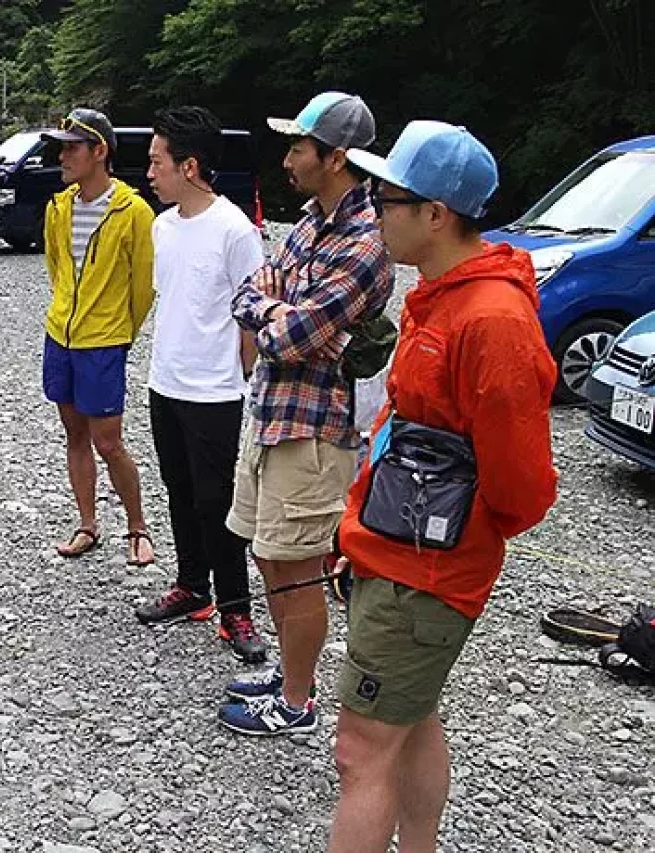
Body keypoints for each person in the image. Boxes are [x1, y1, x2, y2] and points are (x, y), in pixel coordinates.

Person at [327, 121, 557, 852]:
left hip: (424, 573)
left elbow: (524, 484)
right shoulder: (440, 295)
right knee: (410, 717)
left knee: (360, 750)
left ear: (435, 214)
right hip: (395, 555)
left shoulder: (492, 320)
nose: (373, 211)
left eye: (386, 199)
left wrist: (453, 535)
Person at [217, 92, 393, 735]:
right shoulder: (308, 223)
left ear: (336, 157)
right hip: (271, 414)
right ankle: (292, 672)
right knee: (270, 557)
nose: (287, 159)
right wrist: (278, 310)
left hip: (315, 429)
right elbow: (249, 294)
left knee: (297, 571)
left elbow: (290, 337)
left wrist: (276, 313)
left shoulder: (366, 243)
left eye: (298, 147)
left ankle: (296, 702)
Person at [134, 105, 267, 663]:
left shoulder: (235, 230)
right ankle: (192, 587)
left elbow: (253, 315)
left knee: (218, 501)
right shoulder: (162, 226)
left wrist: (240, 377)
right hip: (164, 382)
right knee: (179, 490)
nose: (149, 173)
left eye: (157, 162)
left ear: (189, 166)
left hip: (214, 391)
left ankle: (236, 608)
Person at [41, 107, 157, 567]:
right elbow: (56, 269)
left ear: (99, 151)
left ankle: (138, 527)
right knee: (74, 433)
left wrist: (119, 333)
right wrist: (64, 313)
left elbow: (143, 287)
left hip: (103, 341)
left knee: (108, 442)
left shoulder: (134, 212)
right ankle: (87, 524)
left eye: (72, 148)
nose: (63, 157)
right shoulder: (58, 207)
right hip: (61, 336)